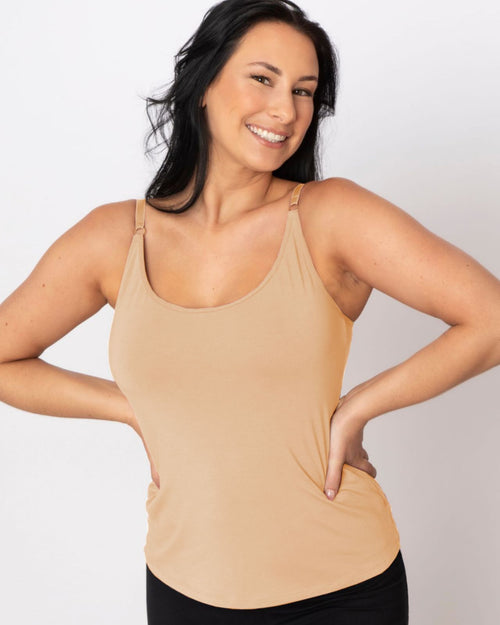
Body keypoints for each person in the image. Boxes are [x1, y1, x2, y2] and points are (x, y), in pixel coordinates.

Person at [1, 0, 499, 623]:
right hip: (184, 583)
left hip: (343, 587)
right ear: (203, 83)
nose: (285, 110)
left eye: (304, 91)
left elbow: (491, 317)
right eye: (263, 78)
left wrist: (359, 406)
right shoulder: (114, 237)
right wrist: (130, 409)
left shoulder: (331, 217)